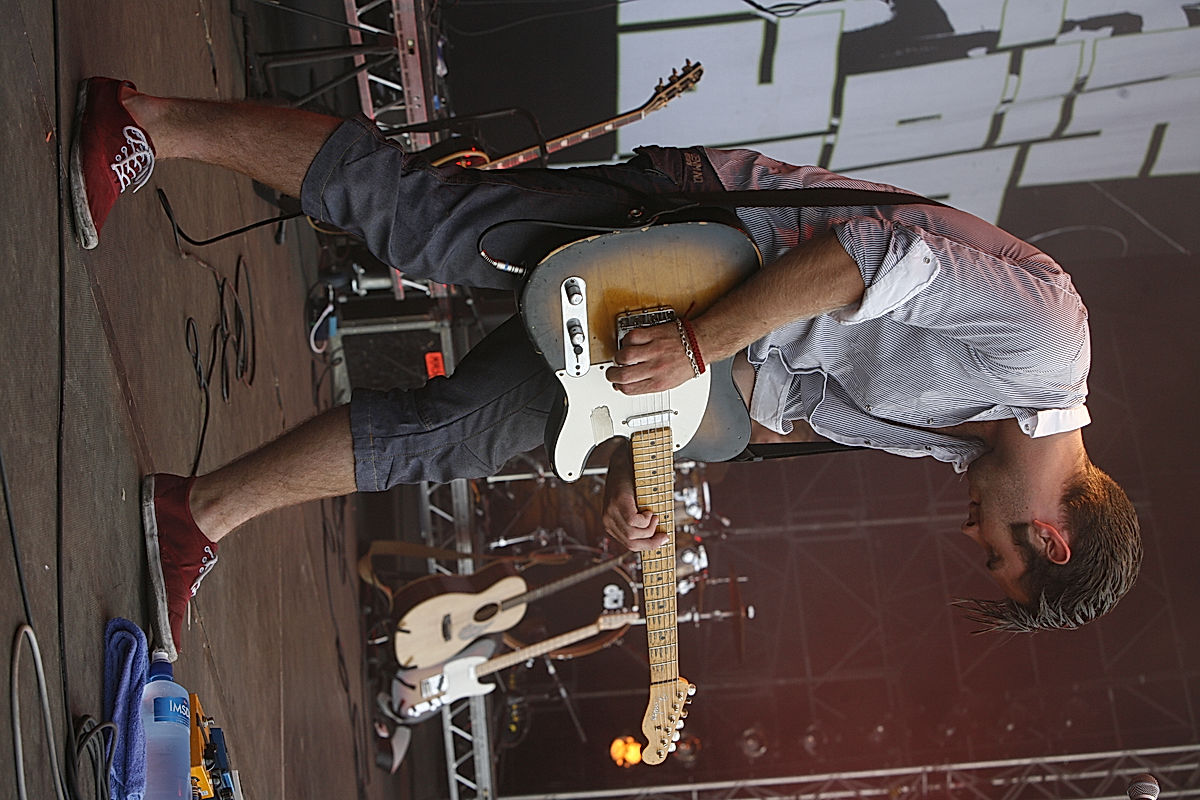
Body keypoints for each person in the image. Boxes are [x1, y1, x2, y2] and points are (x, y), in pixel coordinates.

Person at [69, 77, 1140, 660]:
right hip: (700, 228)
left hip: (694, 333)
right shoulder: (1050, 342)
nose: (969, 536)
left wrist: (651, 464)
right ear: (1051, 531)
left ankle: (197, 512)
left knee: (464, 430)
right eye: (997, 551)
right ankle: (147, 122)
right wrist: (701, 342)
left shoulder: (957, 438)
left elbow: (779, 404)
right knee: (429, 226)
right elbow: (862, 256)